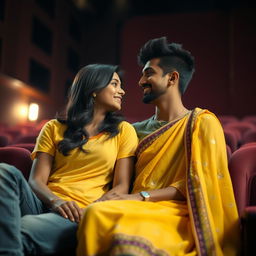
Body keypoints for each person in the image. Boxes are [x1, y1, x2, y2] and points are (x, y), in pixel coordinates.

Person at [77, 37, 240, 256]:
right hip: (131, 207)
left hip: (178, 212)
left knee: (124, 244)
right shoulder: (131, 130)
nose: (140, 81)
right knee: (95, 213)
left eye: (148, 73)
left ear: (172, 78)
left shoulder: (202, 122)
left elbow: (200, 182)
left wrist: (141, 196)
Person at [0, 64, 138, 256]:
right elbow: (36, 180)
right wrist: (55, 201)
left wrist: (91, 212)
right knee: (4, 171)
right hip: (43, 203)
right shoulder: (53, 127)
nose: (121, 91)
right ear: (94, 90)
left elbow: (122, 186)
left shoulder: (124, 130)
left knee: (21, 230)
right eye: (115, 84)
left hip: (78, 212)